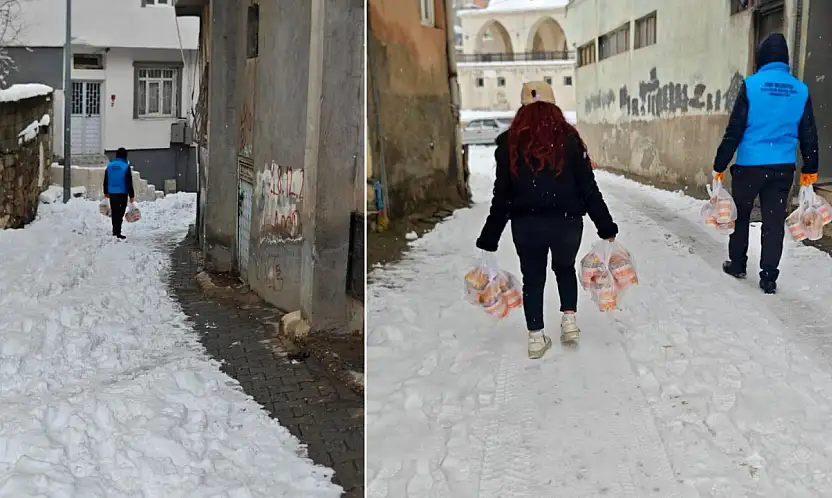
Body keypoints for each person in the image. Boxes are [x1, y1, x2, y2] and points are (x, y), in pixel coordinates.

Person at [475, 81, 618, 359]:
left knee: (533, 278)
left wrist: (489, 237)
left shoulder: (509, 143)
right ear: (553, 106)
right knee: (564, 269)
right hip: (567, 222)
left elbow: (501, 196)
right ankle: (569, 323)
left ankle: (535, 337)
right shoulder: (569, 139)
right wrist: (605, 225)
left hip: (527, 225)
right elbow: (588, 187)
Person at [713, 33, 819, 295]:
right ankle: (769, 276)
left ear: (762, 57)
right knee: (773, 223)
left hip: (749, 166)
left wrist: (720, 163)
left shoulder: (751, 85)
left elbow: (735, 129)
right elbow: (808, 133)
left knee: (741, 216)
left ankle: (737, 264)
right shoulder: (800, 90)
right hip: (782, 168)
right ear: (784, 59)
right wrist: (811, 168)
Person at [103, 147, 136, 240]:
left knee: (115, 212)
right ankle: (118, 231)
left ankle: (115, 231)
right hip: (122, 192)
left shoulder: (110, 165)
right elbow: (129, 182)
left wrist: (105, 191)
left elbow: (106, 179)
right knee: (120, 213)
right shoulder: (125, 166)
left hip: (112, 192)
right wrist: (131, 195)